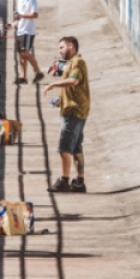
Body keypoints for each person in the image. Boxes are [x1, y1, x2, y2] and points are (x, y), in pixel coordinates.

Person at [42, 36, 89, 193]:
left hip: (73, 112)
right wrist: (60, 100)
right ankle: (80, 182)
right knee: (76, 148)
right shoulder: (74, 63)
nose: (60, 51)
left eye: (61, 47)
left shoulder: (77, 62)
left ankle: (64, 180)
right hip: (77, 110)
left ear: (71, 46)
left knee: (64, 148)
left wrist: (54, 84)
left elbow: (74, 81)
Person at [12, 0, 44, 84]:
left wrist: (22, 16)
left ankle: (38, 72)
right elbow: (18, 15)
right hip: (20, 30)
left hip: (28, 31)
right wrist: (14, 23)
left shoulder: (31, 0)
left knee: (25, 52)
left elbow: (35, 15)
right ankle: (23, 77)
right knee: (20, 54)